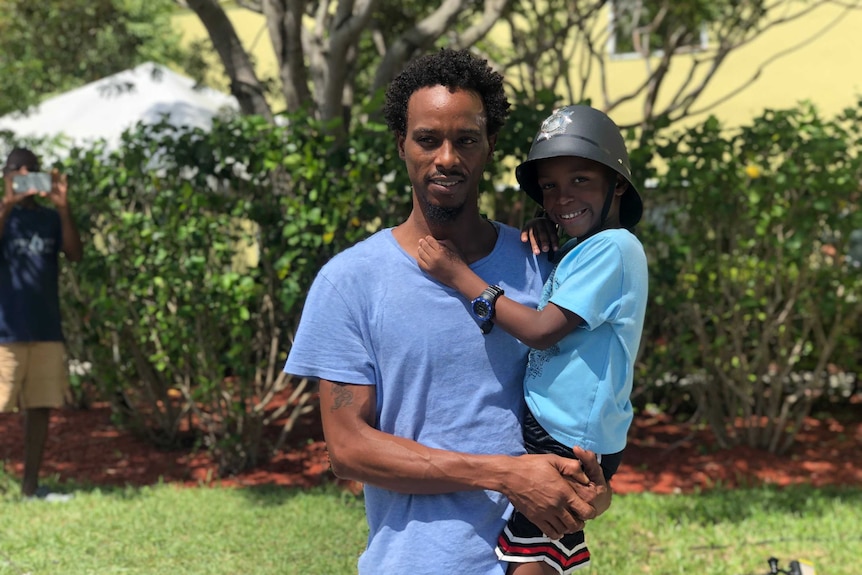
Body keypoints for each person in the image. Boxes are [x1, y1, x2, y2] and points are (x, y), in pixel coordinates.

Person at [283, 50, 611, 575]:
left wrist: (593, 489)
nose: (447, 158)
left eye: (466, 140)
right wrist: (503, 474)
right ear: (402, 145)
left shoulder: (547, 265)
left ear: (490, 147)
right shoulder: (350, 282)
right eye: (428, 139)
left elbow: (589, 401)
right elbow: (347, 449)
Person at [417, 104, 648, 574]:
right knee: (543, 549)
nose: (562, 198)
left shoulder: (616, 247)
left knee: (532, 559)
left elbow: (542, 332)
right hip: (558, 425)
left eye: (580, 180)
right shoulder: (585, 248)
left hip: (570, 435)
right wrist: (553, 234)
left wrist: (459, 275)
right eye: (550, 187)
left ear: (617, 183)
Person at [0, 147, 83, 499]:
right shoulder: (4, 216)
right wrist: (6, 204)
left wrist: (64, 208)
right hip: (5, 332)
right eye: (16, 172)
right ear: (6, 176)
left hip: (46, 328)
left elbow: (75, 254)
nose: (24, 178)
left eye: (30, 171)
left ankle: (30, 487)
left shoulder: (50, 218)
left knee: (40, 408)